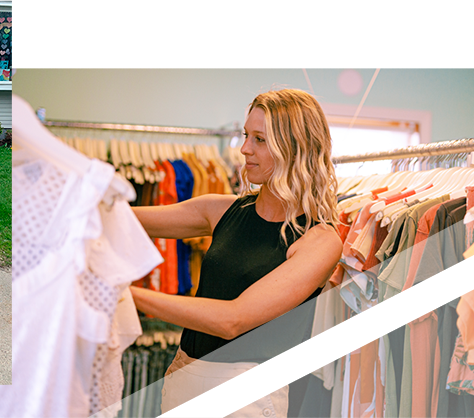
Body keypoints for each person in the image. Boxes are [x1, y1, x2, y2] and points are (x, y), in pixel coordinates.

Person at [130, 89, 343, 417]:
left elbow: (234, 319)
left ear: (295, 147)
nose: (244, 149)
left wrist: (129, 296)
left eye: (259, 139)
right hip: (184, 373)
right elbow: (123, 220)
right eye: (246, 135)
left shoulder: (319, 241)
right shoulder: (222, 210)